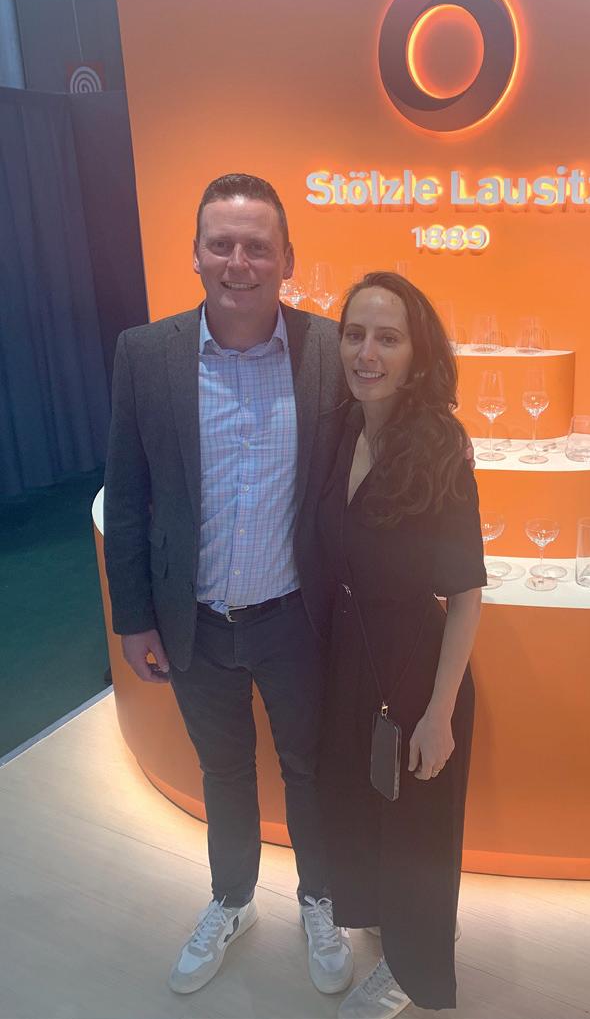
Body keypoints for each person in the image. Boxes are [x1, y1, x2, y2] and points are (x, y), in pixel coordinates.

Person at [102, 173, 354, 996]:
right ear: (196, 254)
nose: (238, 262)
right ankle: (233, 899)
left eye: (257, 246)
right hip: (195, 621)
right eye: (222, 244)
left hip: (296, 619)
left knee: (309, 766)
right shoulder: (146, 354)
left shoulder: (329, 352)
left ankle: (319, 901)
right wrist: (134, 616)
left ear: (288, 259)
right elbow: (128, 495)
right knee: (224, 770)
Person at [317, 272, 486, 1018]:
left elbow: (466, 592)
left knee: (418, 833)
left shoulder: (442, 449)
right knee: (366, 814)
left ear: (418, 354)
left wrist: (440, 712)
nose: (367, 353)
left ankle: (412, 971)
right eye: (355, 334)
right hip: (350, 664)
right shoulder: (338, 430)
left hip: (418, 675)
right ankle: (394, 930)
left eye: (387, 338)